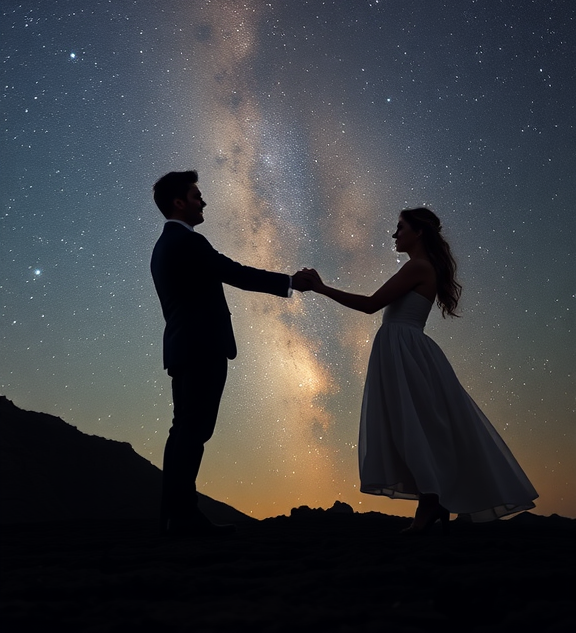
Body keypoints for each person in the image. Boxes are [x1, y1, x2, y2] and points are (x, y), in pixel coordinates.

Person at [299, 207, 537, 533]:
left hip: (403, 348)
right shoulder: (422, 267)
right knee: (414, 426)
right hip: (403, 347)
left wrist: (322, 288)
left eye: (400, 228)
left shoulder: (418, 267)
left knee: (411, 427)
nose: (395, 234)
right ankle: (432, 502)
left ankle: (430, 504)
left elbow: (371, 305)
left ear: (418, 232)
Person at [151, 169, 311, 536]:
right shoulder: (188, 242)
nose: (203, 201)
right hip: (201, 347)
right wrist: (290, 283)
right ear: (179, 202)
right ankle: (184, 518)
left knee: (184, 431)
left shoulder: (165, 246)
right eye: (196, 196)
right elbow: (234, 272)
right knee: (193, 431)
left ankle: (175, 517)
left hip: (183, 347)